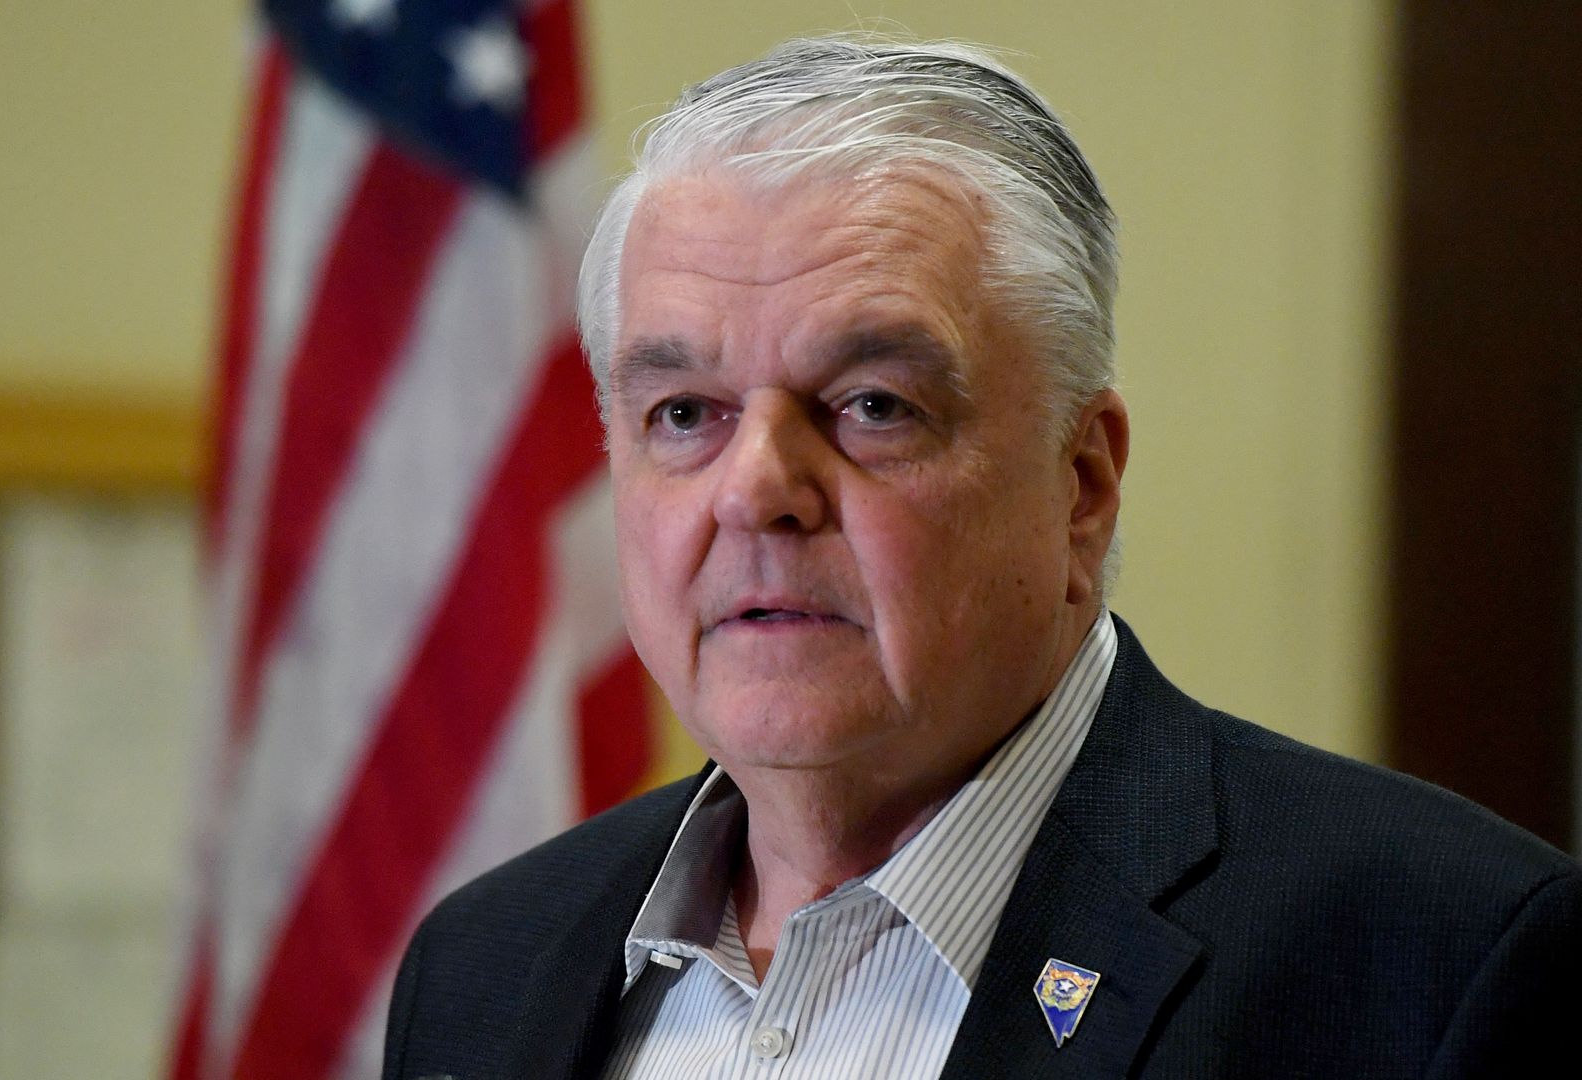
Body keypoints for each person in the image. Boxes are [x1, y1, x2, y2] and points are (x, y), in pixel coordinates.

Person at [382, 35, 1581, 1079]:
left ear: (1082, 483)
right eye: (685, 413)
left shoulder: (1439, 962)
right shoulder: (485, 964)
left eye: (871, 406)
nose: (755, 492)